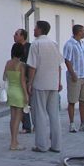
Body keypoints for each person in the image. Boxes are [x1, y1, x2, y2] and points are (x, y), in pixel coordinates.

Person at [26, 20, 63, 153]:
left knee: (40, 114)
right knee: (54, 114)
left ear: (40, 30)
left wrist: (30, 82)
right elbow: (59, 65)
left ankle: (41, 145)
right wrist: (59, 81)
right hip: (53, 83)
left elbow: (32, 66)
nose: (34, 30)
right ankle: (56, 145)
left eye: (35, 28)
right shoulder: (54, 44)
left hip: (40, 83)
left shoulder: (36, 44)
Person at [63, 24, 84, 133]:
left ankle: (83, 123)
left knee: (83, 100)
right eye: (82, 31)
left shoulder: (82, 44)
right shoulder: (70, 44)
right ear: (78, 32)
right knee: (72, 101)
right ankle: (71, 124)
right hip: (75, 76)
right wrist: (72, 73)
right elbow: (67, 60)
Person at [4, 42, 29, 150]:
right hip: (19, 91)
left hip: (10, 91)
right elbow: (23, 82)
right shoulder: (21, 65)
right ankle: (14, 143)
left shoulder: (8, 63)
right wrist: (26, 95)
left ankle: (13, 140)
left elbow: (4, 77)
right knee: (18, 118)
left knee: (12, 117)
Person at [13, 28, 32, 133]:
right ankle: (26, 126)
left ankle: (36, 125)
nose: (14, 36)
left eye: (16, 34)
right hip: (18, 79)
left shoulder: (30, 47)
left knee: (31, 103)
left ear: (22, 36)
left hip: (28, 78)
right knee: (22, 103)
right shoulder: (15, 48)